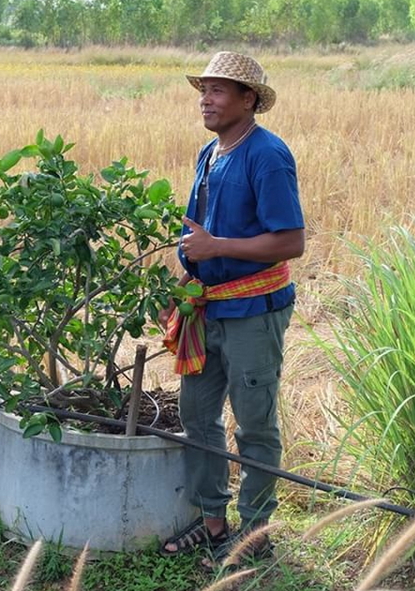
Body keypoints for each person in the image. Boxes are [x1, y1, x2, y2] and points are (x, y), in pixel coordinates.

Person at [159, 51, 305, 568]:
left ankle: (255, 534)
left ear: (249, 100)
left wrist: (219, 247)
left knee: (254, 425)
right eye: (205, 89)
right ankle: (214, 521)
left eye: (220, 90)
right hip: (207, 310)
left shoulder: (266, 155)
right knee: (198, 417)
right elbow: (196, 237)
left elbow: (291, 241)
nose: (207, 99)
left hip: (252, 311)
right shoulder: (210, 153)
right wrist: (182, 286)